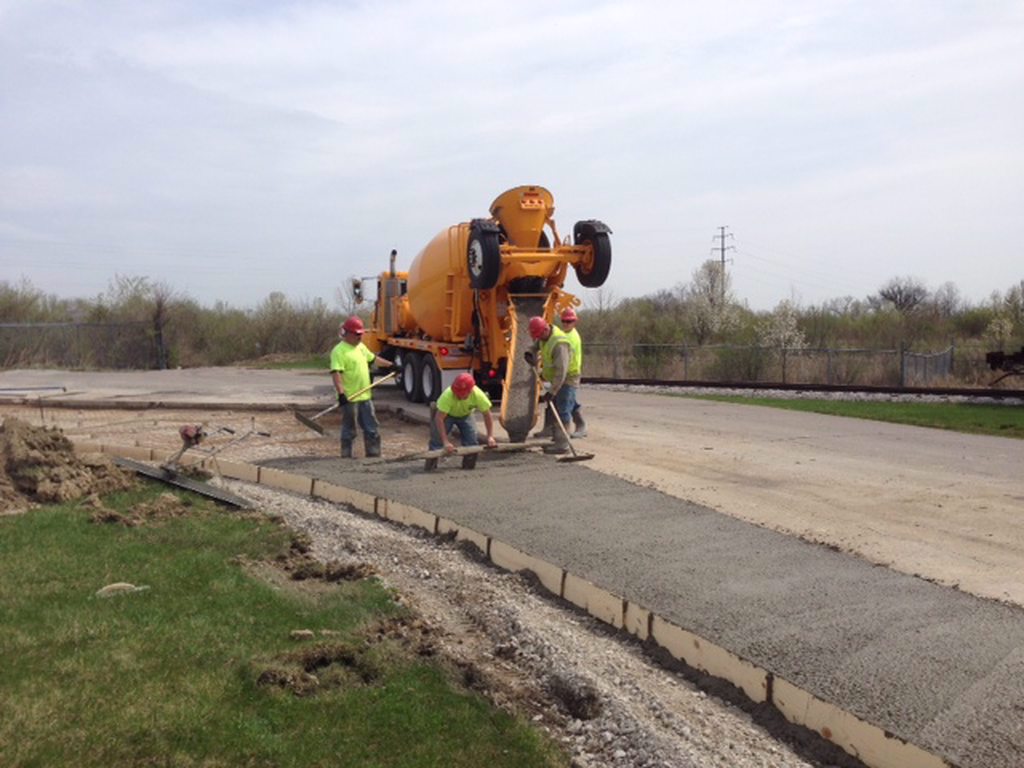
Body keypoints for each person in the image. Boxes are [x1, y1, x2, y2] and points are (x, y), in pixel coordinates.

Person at [330, 316, 394, 458]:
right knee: (349, 428)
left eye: (361, 334)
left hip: (365, 396)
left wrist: (392, 365)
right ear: (347, 333)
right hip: (349, 398)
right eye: (357, 334)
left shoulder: (361, 347)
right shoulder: (339, 351)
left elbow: (373, 359)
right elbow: (336, 374)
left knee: (371, 426)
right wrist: (341, 394)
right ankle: (346, 455)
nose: (360, 337)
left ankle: (373, 453)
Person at [524, 315, 577, 455]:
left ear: (545, 329)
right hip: (556, 379)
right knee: (556, 408)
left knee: (563, 410)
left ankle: (563, 445)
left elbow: (562, 371)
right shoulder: (544, 336)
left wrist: (552, 391)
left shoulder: (560, 344)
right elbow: (535, 345)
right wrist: (530, 352)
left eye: (539, 335)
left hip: (567, 379)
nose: (538, 339)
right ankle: (557, 439)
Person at [427, 372, 498, 470]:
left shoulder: (478, 395)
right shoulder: (448, 395)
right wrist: (445, 442)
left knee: (472, 441)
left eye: (462, 394)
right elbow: (439, 419)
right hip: (448, 415)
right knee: (436, 440)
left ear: (470, 391)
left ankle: (468, 467)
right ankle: (430, 467)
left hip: (466, 415)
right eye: (457, 393)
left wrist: (490, 436)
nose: (459, 396)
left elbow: (487, 415)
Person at [558, 307, 587, 438]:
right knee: (569, 401)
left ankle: (563, 437)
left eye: (569, 321)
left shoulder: (569, 338)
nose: (565, 323)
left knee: (564, 406)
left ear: (575, 322)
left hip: (570, 374)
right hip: (564, 374)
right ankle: (581, 426)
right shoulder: (565, 335)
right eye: (564, 321)